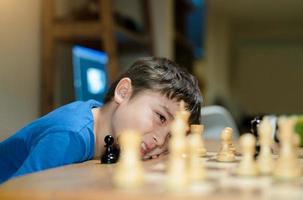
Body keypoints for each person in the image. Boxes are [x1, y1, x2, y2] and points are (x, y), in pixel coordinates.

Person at [0, 57, 202, 184]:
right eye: (160, 117)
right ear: (123, 92)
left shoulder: (110, 126)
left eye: (171, 137)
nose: (160, 141)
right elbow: (18, 193)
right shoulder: (70, 135)